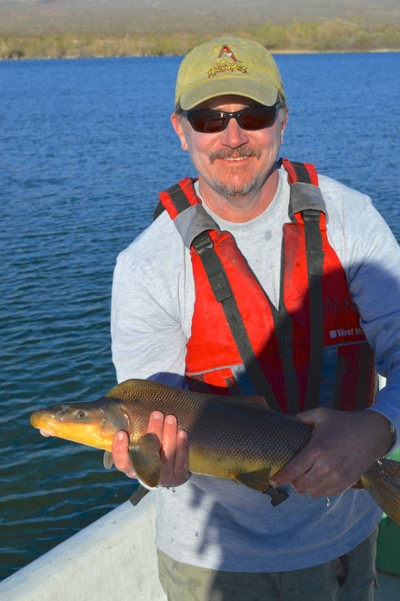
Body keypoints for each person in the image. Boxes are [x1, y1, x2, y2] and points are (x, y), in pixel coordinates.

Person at [110, 37, 400, 600]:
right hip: (214, 560)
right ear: (181, 129)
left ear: (283, 120)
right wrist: (150, 460)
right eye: (209, 118)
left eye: (254, 114)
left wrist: (378, 425)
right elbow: (151, 406)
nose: (233, 136)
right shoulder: (145, 265)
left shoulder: (351, 222)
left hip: (347, 537)